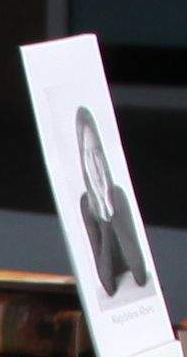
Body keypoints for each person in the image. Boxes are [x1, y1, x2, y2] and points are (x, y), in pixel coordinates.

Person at [64, 99, 151, 320]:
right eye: (87, 154)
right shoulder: (86, 204)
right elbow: (108, 284)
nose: (94, 161)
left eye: (97, 152)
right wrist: (103, 218)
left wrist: (112, 210)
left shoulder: (119, 195)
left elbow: (140, 275)